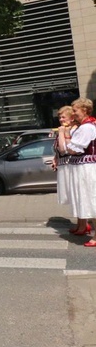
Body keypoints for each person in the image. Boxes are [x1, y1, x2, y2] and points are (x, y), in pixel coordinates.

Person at [61, 97, 96, 246]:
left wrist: (67, 135)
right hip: (82, 168)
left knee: (91, 201)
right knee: (89, 201)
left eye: (75, 110)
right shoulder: (84, 126)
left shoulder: (87, 127)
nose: (73, 113)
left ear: (85, 110)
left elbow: (74, 149)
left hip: (86, 169)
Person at [53, 105, 89, 234]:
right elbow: (59, 151)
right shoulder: (67, 129)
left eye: (63, 116)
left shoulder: (73, 130)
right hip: (65, 165)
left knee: (77, 195)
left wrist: (62, 132)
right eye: (59, 117)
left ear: (71, 117)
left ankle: (83, 224)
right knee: (74, 196)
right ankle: (81, 223)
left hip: (71, 165)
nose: (61, 119)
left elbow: (64, 149)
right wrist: (55, 158)